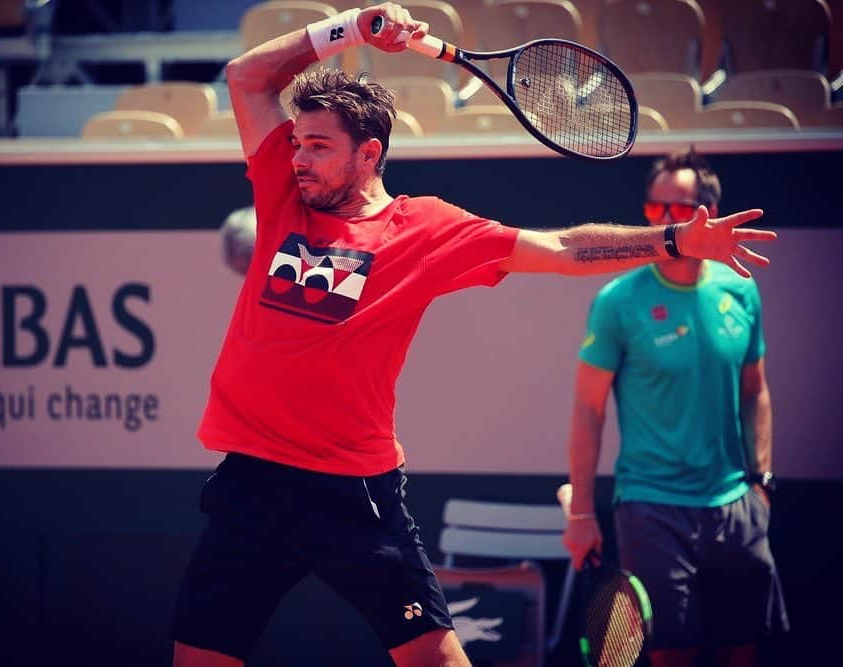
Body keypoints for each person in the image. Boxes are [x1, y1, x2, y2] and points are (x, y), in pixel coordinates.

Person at [171, 4, 776, 666]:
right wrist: (350, 28)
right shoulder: (283, 191)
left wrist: (671, 240)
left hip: (351, 492)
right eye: (296, 143)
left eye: (318, 146)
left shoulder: (425, 228)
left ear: (368, 153)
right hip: (250, 481)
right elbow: (246, 76)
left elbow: (564, 248)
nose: (300, 158)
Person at [562, 148, 789, 666]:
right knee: (673, 658)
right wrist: (581, 512)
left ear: (707, 214)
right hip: (651, 509)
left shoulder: (741, 291)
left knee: (744, 652)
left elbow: (755, 389)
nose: (664, 222)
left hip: (737, 507)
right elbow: (587, 411)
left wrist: (762, 483)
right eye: (654, 210)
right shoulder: (618, 300)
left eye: (679, 211)